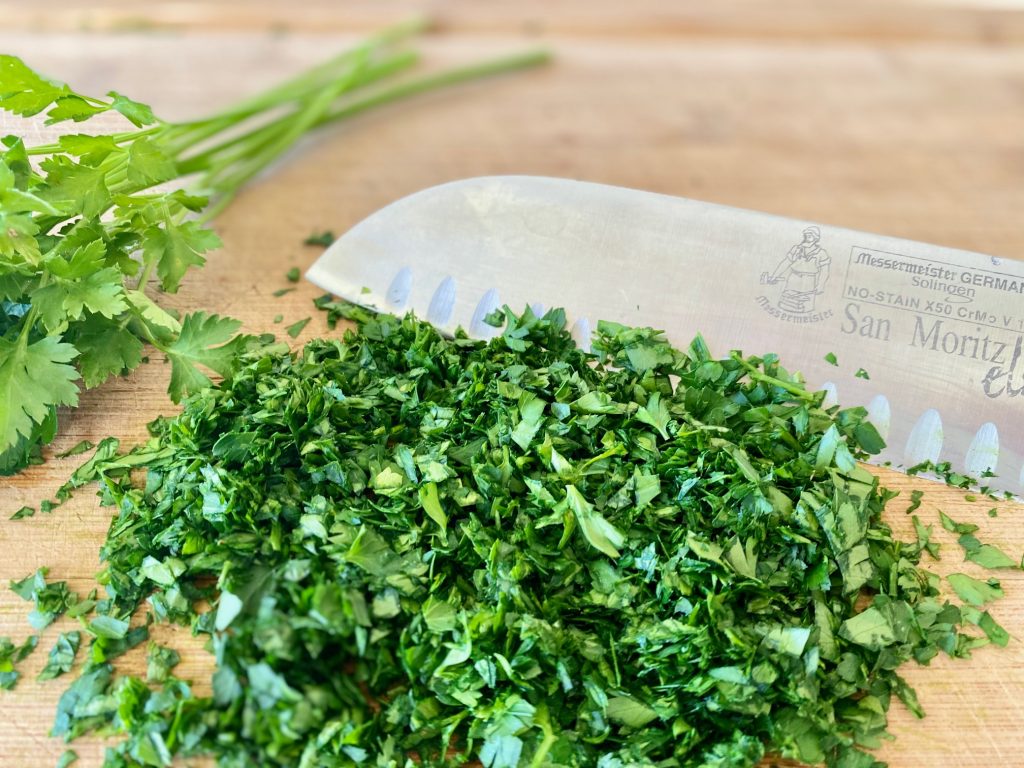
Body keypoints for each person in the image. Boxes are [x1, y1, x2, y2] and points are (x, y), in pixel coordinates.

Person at [767, 226, 830, 313]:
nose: (808, 236)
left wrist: (820, 285)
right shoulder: (797, 249)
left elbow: (825, 271)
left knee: (805, 308)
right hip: (793, 280)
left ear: (816, 237)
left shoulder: (821, 253)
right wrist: (774, 276)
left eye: (811, 234)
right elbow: (785, 263)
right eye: (807, 234)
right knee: (786, 306)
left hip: (809, 282)